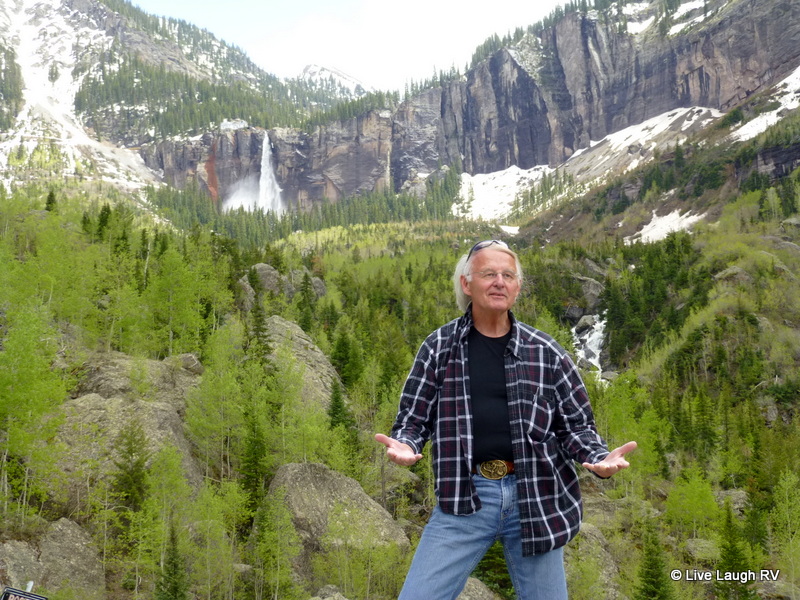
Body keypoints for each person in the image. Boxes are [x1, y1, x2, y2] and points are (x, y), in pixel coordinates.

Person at [375, 239, 637, 600]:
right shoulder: (438, 347)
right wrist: (406, 443)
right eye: (488, 274)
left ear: (516, 287)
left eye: (507, 275)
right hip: (464, 497)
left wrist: (596, 458)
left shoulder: (547, 352)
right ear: (467, 285)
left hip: (537, 496)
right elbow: (413, 420)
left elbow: (576, 426)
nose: (499, 281)